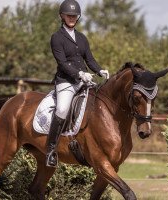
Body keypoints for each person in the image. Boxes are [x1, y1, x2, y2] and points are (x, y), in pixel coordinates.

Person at [46, 0, 109, 167]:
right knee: (62, 109)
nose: (72, 18)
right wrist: (80, 74)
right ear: (62, 16)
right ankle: (51, 150)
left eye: (75, 16)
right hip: (66, 82)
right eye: (69, 15)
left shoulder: (82, 38)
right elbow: (62, 63)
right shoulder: (57, 37)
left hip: (83, 82)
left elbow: (89, 59)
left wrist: (99, 71)